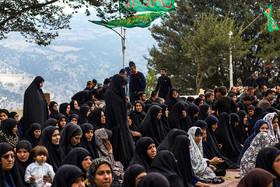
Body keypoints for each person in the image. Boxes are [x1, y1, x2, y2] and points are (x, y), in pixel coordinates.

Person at [104, 74, 135, 169]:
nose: (123, 87)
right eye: (122, 84)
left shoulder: (117, 92)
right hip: (116, 124)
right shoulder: (110, 94)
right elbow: (113, 111)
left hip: (122, 123)